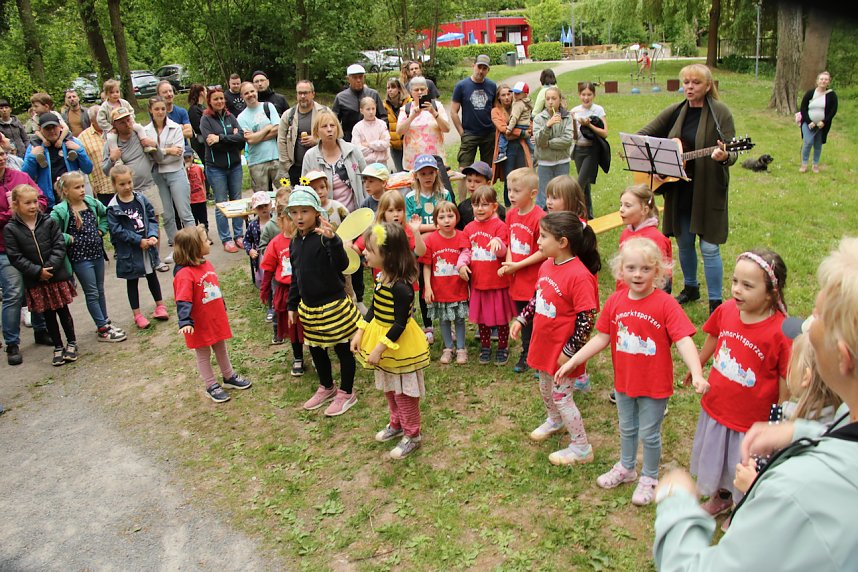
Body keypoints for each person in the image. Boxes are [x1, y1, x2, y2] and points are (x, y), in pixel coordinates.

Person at [653, 236, 858, 570]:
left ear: (844, 358)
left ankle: (736, 504)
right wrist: (801, 432)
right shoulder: (844, 418)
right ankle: (722, 496)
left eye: (816, 319)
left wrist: (675, 505)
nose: (804, 328)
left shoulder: (794, 492)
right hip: (722, 409)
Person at [556, 237, 706, 502]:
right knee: (626, 428)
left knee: (649, 433)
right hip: (624, 382)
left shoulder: (666, 304)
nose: (638, 274)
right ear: (620, 270)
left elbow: (683, 339)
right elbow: (602, 338)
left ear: (658, 272)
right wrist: (573, 360)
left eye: (646, 269)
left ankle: (649, 476)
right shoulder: (615, 302)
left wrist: (696, 372)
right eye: (632, 268)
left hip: (654, 385)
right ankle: (626, 467)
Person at [688, 249, 791, 520]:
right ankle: (721, 497)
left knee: (742, 463)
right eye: (735, 281)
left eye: (748, 285)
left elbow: (785, 378)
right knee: (719, 458)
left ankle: (741, 509)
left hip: (750, 421)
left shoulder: (781, 331)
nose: (737, 290)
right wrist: (697, 365)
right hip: (718, 406)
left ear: (771, 292)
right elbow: (713, 335)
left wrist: (778, 416)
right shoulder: (727, 310)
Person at [638, 63, 736, 313]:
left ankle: (716, 301)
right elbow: (642, 137)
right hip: (679, 190)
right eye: (686, 82)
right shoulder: (676, 110)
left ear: (708, 86)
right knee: (684, 242)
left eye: (696, 83)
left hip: (707, 190)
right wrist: (660, 163)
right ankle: (691, 287)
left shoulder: (720, 112)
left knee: (710, 247)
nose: (690, 87)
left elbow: (732, 151)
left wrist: (723, 156)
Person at [510, 211, 598, 464]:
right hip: (544, 344)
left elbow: (587, 319)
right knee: (544, 388)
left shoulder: (580, 276)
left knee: (562, 396)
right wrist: (522, 318)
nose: (537, 241)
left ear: (562, 242)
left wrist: (569, 353)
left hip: (563, 351)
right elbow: (540, 297)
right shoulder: (547, 265)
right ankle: (554, 420)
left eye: (543, 236)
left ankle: (581, 448)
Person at [353, 222, 431, 459]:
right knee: (389, 388)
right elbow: (374, 307)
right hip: (381, 340)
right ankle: (396, 424)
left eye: (370, 249)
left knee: (404, 393)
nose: (364, 252)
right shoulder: (381, 277)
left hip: (398, 346)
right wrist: (360, 332)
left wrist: (379, 348)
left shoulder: (402, 288)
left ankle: (412, 435)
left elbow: (400, 324)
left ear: (387, 255)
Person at [286, 186, 361, 416]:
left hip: (334, 305)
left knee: (343, 348)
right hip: (310, 309)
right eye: (295, 212)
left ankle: (347, 392)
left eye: (305, 211)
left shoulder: (324, 238)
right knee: (317, 349)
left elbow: (340, 265)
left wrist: (334, 241)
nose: (299, 217)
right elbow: (296, 276)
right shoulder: (294, 243)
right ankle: (327, 386)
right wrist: (292, 304)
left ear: (316, 212)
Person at [173, 224, 252, 403]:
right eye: (205, 240)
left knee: (221, 347)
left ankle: (228, 376)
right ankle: (210, 385)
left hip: (214, 318)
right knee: (203, 354)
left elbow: (214, 287)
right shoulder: (185, 274)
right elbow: (183, 299)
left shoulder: (206, 263)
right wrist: (185, 321)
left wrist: (221, 305)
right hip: (199, 323)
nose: (209, 242)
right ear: (194, 247)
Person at [3, 184, 78, 367]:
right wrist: (37, 272)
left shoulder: (48, 221)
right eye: (27, 203)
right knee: (48, 315)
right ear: (16, 205)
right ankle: (58, 346)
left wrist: (49, 268)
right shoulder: (11, 229)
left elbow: (59, 245)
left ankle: (72, 342)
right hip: (36, 280)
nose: (33, 206)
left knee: (63, 310)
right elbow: (15, 257)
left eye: (35, 201)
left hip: (55, 276)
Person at [50, 171, 126, 342]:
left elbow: (107, 214)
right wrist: (68, 238)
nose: (82, 190)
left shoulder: (90, 202)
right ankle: (102, 329)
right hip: (80, 258)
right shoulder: (61, 210)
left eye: (83, 186)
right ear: (66, 191)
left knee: (100, 289)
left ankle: (105, 321)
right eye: (77, 187)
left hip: (97, 254)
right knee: (91, 292)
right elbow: (51, 231)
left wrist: (102, 229)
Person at [101, 108, 168, 271]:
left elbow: (159, 158)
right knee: (132, 226)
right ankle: (137, 262)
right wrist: (112, 158)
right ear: (114, 125)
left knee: (153, 222)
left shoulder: (141, 135)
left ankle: (155, 259)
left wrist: (154, 146)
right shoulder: (111, 143)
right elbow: (105, 170)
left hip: (148, 186)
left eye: (128, 119)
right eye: (122, 121)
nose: (127, 123)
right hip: (127, 193)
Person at [0, 151, 51, 363]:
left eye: (2, 153)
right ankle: (12, 343)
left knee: (35, 286)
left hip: (30, 244)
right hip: (3, 249)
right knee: (13, 292)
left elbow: (41, 198)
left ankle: (41, 329)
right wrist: (14, 213)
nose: (1, 158)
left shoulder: (20, 177)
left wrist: (31, 207)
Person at [106, 165, 170, 329]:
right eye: (122, 184)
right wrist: (138, 240)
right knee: (132, 281)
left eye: (129, 182)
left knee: (152, 276)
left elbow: (152, 217)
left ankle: (160, 306)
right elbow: (117, 231)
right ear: (114, 185)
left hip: (146, 247)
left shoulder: (140, 199)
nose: (127, 187)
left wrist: (153, 235)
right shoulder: (113, 207)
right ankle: (137, 314)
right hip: (130, 251)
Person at [499, 168, 545, 373]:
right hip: (517, 279)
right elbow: (509, 242)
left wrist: (518, 265)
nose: (511, 195)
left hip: (534, 278)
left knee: (537, 319)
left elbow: (544, 251)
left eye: (517, 191)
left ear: (533, 193)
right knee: (522, 318)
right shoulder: (510, 215)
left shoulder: (540, 217)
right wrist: (509, 264)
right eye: (509, 190)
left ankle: (539, 357)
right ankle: (527, 354)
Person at [463, 186, 514, 365]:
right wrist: (461, 264)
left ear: (494, 206)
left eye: (485, 204)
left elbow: (504, 251)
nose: (480, 208)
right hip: (478, 282)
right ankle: (485, 346)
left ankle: (502, 346)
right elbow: (466, 251)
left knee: (501, 318)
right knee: (482, 318)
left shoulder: (500, 226)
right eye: (476, 204)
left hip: (497, 281)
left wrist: (497, 243)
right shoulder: (469, 228)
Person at [406, 154, 453, 342]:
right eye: (423, 173)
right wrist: (436, 228)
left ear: (436, 173)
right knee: (425, 285)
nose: (427, 177)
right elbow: (410, 225)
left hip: (441, 246)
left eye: (431, 173)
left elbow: (449, 219)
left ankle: (446, 322)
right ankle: (428, 326)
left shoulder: (444, 194)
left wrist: (430, 230)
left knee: (441, 283)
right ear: (416, 175)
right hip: (421, 247)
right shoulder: (411, 197)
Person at [419, 201, 470, 365]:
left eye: (450, 216)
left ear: (457, 217)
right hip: (439, 289)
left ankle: (461, 348)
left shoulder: (462, 236)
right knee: (443, 320)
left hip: (458, 288)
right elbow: (426, 266)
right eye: (442, 217)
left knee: (460, 319)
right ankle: (448, 348)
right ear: (435, 221)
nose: (446, 220)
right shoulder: (431, 240)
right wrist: (427, 287)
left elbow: (467, 257)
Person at [144, 96, 195, 256]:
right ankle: (177, 249)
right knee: (166, 214)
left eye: (162, 109)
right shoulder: (145, 131)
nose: (160, 112)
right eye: (156, 109)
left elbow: (177, 154)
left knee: (184, 212)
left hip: (176, 172)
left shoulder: (176, 128)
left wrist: (158, 150)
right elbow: (149, 155)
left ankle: (194, 246)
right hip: (157, 175)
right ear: (150, 110)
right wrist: (166, 150)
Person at [260, 200, 304, 373]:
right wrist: (264, 290)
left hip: (305, 291)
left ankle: (316, 353)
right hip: (286, 292)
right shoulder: (275, 243)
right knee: (292, 327)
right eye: (289, 218)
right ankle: (298, 357)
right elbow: (268, 269)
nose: (293, 222)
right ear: (280, 221)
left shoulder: (303, 239)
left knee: (309, 325)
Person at [200, 87, 245, 252]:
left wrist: (220, 138)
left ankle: (239, 235)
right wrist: (230, 139)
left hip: (234, 166)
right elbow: (209, 142)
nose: (219, 101)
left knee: (237, 201)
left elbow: (241, 137)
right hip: (216, 168)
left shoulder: (230, 116)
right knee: (221, 203)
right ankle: (226, 238)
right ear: (210, 102)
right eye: (215, 99)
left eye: (221, 98)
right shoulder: (206, 120)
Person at [22, 112, 93, 209]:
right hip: (49, 201)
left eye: (54, 127)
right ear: (40, 130)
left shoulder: (72, 142)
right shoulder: (34, 146)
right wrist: (31, 157)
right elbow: (25, 176)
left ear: (60, 127)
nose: (51, 131)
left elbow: (88, 169)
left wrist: (79, 151)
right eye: (47, 128)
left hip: (73, 199)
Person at [301, 109, 367, 212]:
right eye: (324, 126)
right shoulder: (310, 156)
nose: (329, 129)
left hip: (356, 215)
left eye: (332, 125)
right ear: (316, 131)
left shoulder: (353, 150)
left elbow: (366, 181)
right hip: (326, 218)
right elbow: (305, 190)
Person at [451, 55, 497, 201]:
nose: (481, 71)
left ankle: (486, 199)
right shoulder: (462, 86)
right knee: (464, 170)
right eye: (479, 67)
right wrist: (461, 132)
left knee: (487, 170)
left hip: (488, 133)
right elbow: (453, 111)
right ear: (474, 66)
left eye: (485, 68)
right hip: (469, 133)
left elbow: (495, 109)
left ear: (488, 70)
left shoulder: (491, 86)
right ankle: (463, 203)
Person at [617, 184, 672, 293]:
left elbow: (663, 276)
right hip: (626, 295)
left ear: (644, 210)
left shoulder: (656, 239)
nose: (621, 210)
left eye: (628, 206)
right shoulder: (625, 234)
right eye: (621, 204)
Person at [571, 82, 608, 219]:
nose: (586, 98)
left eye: (589, 94)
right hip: (578, 149)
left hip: (591, 151)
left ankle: (575, 215)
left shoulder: (598, 110)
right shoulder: (575, 110)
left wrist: (589, 125)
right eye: (583, 94)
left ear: (594, 95)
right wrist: (573, 123)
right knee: (585, 187)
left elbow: (605, 133)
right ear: (579, 95)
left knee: (579, 185)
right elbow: (574, 136)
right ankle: (588, 216)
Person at [278, 80, 326, 186]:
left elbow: (337, 135)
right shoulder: (288, 115)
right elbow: (281, 140)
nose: (303, 96)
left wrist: (317, 140)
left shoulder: (324, 112)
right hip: (295, 168)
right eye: (300, 93)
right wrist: (287, 165)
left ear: (313, 94)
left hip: (320, 166)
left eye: (306, 93)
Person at [533, 87, 573, 210]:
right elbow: (539, 141)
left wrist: (548, 144)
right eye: (548, 99)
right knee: (543, 197)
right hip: (545, 162)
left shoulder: (567, 117)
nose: (550, 102)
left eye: (554, 98)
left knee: (562, 195)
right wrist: (547, 126)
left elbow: (567, 140)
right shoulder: (539, 118)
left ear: (560, 100)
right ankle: (542, 224)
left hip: (562, 161)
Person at [397, 77, 449, 171]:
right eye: (416, 90)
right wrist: (412, 116)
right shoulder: (406, 109)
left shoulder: (437, 106)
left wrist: (434, 113)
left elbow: (446, 129)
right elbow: (400, 131)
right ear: (411, 92)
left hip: (435, 160)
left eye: (422, 89)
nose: (420, 92)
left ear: (427, 90)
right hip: (413, 162)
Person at [237, 82, 280, 193]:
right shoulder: (241, 118)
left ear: (256, 91)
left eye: (252, 91)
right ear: (242, 96)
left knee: (285, 193)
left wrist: (257, 136)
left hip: (276, 158)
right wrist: (267, 128)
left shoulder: (268, 107)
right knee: (262, 200)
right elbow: (250, 140)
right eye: (246, 93)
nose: (250, 95)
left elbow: (278, 129)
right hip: (256, 163)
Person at [332, 64, 386, 142]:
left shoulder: (373, 94)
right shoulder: (340, 98)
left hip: (372, 140)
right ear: (348, 79)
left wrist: (379, 133)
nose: (358, 80)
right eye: (355, 77)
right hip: (349, 140)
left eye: (360, 77)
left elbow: (383, 116)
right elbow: (334, 120)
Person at [97, 80, 153, 156]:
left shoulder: (124, 102)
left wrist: (132, 121)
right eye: (112, 92)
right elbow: (100, 120)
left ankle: (145, 144)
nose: (115, 94)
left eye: (117, 92)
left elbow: (131, 111)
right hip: (113, 129)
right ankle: (117, 157)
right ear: (106, 94)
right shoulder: (104, 107)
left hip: (128, 124)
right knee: (111, 139)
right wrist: (110, 128)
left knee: (139, 128)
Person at [798, 70, 837, 174]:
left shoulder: (831, 95)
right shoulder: (810, 93)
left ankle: (815, 165)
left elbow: (833, 111)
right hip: (808, 123)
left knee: (818, 145)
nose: (823, 81)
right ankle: (804, 164)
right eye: (821, 79)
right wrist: (809, 121)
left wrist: (824, 122)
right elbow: (803, 108)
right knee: (808, 142)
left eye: (826, 79)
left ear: (828, 82)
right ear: (817, 81)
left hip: (821, 126)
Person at [78, 106, 113, 206]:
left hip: (123, 182)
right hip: (103, 188)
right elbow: (83, 166)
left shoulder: (114, 130)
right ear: (92, 120)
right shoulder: (83, 138)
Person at [456, 161, 505, 231]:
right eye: (469, 181)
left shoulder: (498, 210)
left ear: (488, 184)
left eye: (477, 181)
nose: (472, 185)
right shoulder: (462, 207)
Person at [495, 82, 533, 164]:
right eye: (503, 95)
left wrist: (529, 130)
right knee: (508, 174)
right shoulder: (496, 111)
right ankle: (502, 154)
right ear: (498, 97)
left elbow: (530, 122)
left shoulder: (518, 105)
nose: (507, 97)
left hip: (521, 147)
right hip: (508, 149)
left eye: (509, 94)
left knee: (522, 173)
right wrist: (522, 133)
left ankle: (536, 155)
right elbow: (504, 130)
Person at [244, 190, 271, 288]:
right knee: (263, 275)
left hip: (275, 252)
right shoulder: (253, 225)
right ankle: (266, 290)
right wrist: (250, 250)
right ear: (255, 209)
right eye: (260, 207)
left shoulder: (276, 221)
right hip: (261, 255)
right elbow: (246, 240)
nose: (263, 209)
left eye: (265, 205)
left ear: (271, 204)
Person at [352, 96, 390, 166]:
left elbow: (386, 144)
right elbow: (357, 149)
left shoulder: (382, 124)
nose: (371, 112)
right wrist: (377, 147)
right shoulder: (357, 128)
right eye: (368, 109)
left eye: (373, 109)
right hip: (366, 164)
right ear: (361, 110)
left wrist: (368, 144)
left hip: (382, 164)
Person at [383, 78, 410, 172]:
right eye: (388, 88)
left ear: (399, 88)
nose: (390, 90)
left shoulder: (409, 103)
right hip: (395, 146)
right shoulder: (384, 106)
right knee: (400, 172)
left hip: (409, 144)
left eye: (393, 87)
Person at [184, 152, 209, 238]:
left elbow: (202, 181)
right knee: (193, 221)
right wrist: (186, 169)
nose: (187, 159)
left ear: (192, 157)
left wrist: (204, 194)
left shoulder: (198, 168)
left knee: (203, 220)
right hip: (191, 200)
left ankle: (205, 236)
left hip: (200, 198)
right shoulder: (182, 171)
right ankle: (195, 238)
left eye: (189, 157)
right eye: (185, 158)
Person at [187, 83, 208, 163]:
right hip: (200, 144)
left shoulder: (202, 108)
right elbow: (197, 127)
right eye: (206, 91)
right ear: (201, 93)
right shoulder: (194, 109)